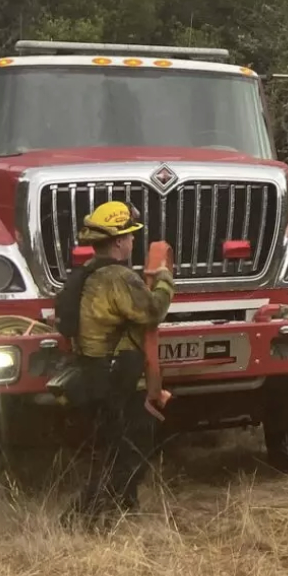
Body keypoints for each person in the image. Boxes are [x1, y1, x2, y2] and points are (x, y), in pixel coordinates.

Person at [63, 201, 174, 526]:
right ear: (117, 242)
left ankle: (120, 508)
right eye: (129, 237)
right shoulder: (118, 278)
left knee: (115, 446)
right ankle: (90, 516)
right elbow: (153, 310)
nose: (132, 242)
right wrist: (166, 280)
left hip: (96, 375)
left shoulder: (87, 275)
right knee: (130, 447)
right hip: (115, 378)